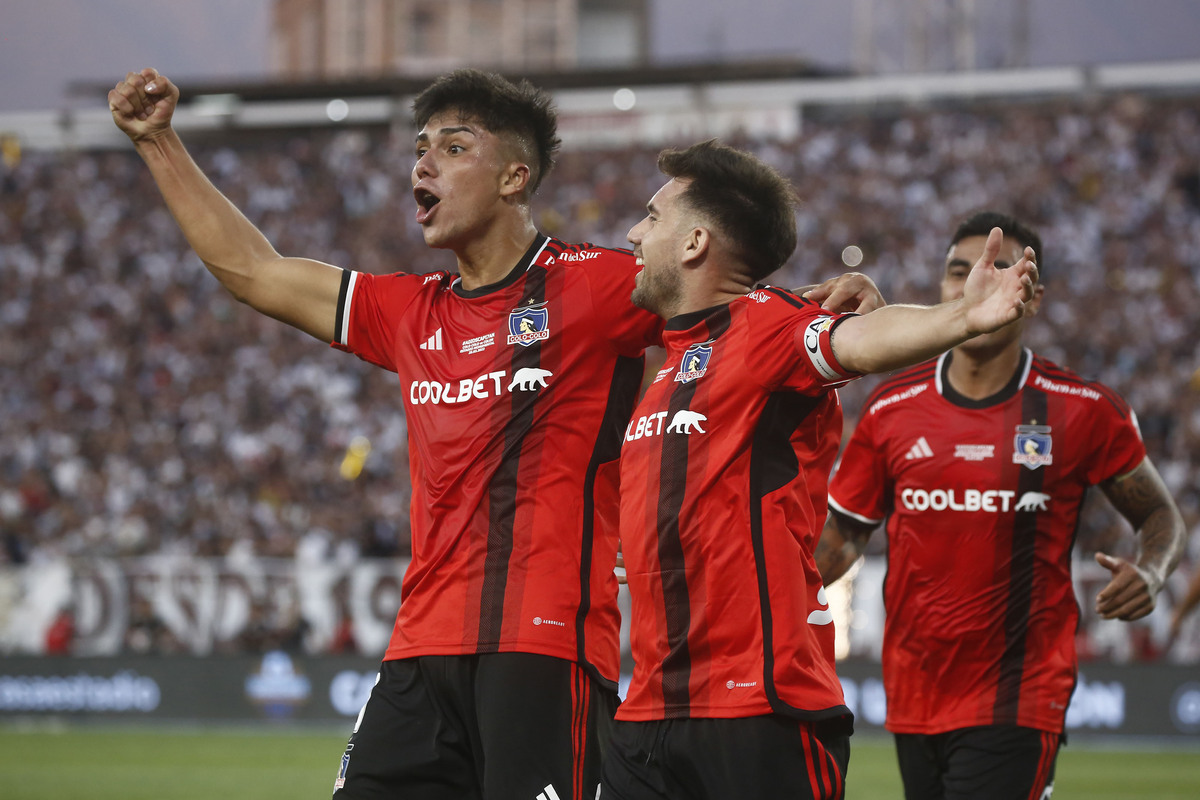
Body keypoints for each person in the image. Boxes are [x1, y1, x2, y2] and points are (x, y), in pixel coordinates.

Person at [108, 67, 880, 800]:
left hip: (544, 652)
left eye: (453, 147)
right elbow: (255, 271)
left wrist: (828, 304)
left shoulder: (600, 283)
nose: (425, 165)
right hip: (418, 651)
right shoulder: (409, 310)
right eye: (420, 149)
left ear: (515, 178)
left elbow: (727, 297)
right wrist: (157, 142)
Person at [603, 142, 1038, 800]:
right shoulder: (670, 366)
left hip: (759, 709)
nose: (634, 232)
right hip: (649, 714)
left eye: (652, 216)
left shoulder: (767, 326)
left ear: (695, 241)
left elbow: (858, 340)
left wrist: (960, 317)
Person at [816, 211, 1186, 800]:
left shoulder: (1083, 409)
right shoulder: (891, 410)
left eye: (999, 269)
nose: (977, 281)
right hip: (912, 693)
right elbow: (842, 539)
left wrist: (1153, 567)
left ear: (1031, 298)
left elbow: (1161, 516)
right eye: (959, 272)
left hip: (1020, 695)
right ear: (943, 291)